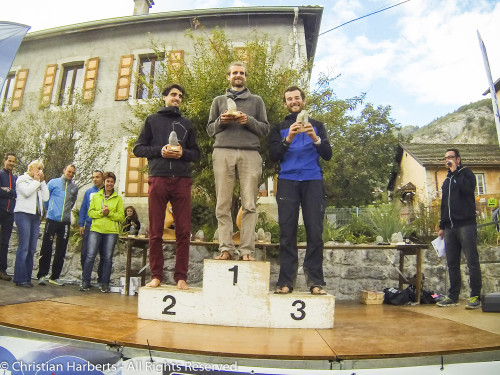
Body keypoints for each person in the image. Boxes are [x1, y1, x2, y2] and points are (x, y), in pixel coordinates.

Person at [133, 84, 200, 289]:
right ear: (164, 97)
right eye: (173, 95)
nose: (177, 98)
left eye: (180, 95)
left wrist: (183, 154)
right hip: (159, 178)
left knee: (183, 230)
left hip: (181, 179)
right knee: (155, 230)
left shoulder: (187, 123)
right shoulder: (152, 120)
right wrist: (160, 151)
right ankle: (156, 275)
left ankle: (181, 277)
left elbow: (196, 154)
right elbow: (138, 148)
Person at [269, 86, 332, 295]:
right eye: (289, 99)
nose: (294, 101)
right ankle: (286, 281)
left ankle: (315, 281)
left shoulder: (317, 126)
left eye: (297, 98)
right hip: (287, 181)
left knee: (315, 231)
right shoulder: (278, 127)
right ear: (285, 104)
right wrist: (288, 139)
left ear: (304, 101)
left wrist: (315, 138)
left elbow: (328, 154)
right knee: (287, 233)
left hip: (312, 180)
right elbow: (273, 156)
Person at [207, 61, 270, 261]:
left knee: (250, 203)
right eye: (234, 72)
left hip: (250, 153)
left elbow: (265, 130)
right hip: (223, 151)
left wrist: (248, 120)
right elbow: (209, 130)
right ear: (228, 76)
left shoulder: (257, 101)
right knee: (222, 203)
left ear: (246, 77)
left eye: (242, 73)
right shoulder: (218, 101)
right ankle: (225, 248)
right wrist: (221, 121)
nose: (238, 75)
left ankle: (247, 251)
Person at [437, 148, 482, 309]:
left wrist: (455, 171)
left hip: (466, 224)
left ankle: (475, 296)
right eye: (445, 158)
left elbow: (468, 190)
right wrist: (442, 225)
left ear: (458, 159)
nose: (447, 160)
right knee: (452, 263)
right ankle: (453, 296)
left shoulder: (466, 173)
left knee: (472, 262)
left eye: (450, 157)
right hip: (450, 227)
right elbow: (444, 204)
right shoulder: (447, 179)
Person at [81, 172, 124, 292]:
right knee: (90, 256)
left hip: (111, 231)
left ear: (114, 183)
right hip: (96, 229)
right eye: (107, 181)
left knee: (107, 258)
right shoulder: (96, 196)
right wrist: (101, 213)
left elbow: (121, 216)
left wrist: (109, 213)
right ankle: (85, 281)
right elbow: (90, 213)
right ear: (104, 183)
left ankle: (104, 283)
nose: (109, 184)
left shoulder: (118, 199)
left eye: (111, 182)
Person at [37, 164, 78, 286]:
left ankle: (55, 277)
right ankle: (42, 275)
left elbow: (72, 202)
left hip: (65, 222)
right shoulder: (53, 183)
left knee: (61, 250)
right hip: (52, 220)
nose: (70, 174)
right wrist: (50, 210)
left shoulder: (74, 187)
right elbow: (46, 199)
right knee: (46, 248)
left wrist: (65, 213)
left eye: (72, 173)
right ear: (64, 170)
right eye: (69, 171)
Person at [13, 160, 49, 287]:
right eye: (38, 168)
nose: (40, 171)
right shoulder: (22, 179)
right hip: (23, 214)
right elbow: (27, 192)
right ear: (31, 167)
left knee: (32, 248)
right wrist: (36, 181)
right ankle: (19, 278)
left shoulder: (38, 182)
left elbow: (46, 198)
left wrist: (43, 182)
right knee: (24, 245)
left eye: (41, 169)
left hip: (35, 216)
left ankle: (27, 278)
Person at [78, 170, 104, 283]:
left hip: (103, 227)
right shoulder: (89, 192)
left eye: (97, 177)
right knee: (85, 253)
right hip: (89, 226)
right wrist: (81, 224)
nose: (94, 179)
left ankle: (101, 280)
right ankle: (86, 278)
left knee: (103, 255)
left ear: (102, 178)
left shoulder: (107, 192)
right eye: (93, 177)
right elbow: (83, 208)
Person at [0, 153, 17, 281]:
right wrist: (9, 192)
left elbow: (16, 193)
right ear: (4, 161)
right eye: (9, 160)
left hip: (10, 213)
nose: (11, 163)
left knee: (5, 242)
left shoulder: (16, 178)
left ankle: (2, 270)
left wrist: (8, 191)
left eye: (13, 161)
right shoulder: (1, 174)